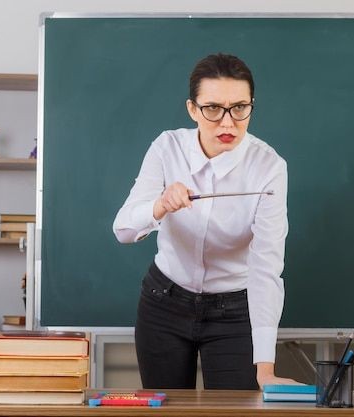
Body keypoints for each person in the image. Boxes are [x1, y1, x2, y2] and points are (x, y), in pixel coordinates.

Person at [113, 53, 296, 390]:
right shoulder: (166, 148)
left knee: (234, 414)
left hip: (235, 311)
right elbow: (123, 229)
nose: (227, 123)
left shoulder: (269, 167)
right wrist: (160, 205)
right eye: (213, 109)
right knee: (165, 412)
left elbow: (266, 267)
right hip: (164, 302)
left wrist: (265, 368)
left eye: (239, 108)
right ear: (192, 109)